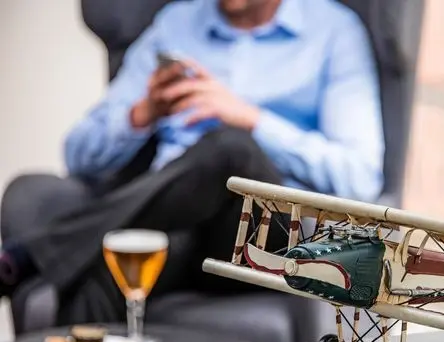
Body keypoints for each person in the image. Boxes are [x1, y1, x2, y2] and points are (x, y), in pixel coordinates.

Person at [0, 0, 384, 324]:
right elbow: (78, 155)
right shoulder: (177, 25)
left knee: (231, 148)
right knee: (105, 269)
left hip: (266, 235)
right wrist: (142, 114)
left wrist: (252, 120)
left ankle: (32, 255)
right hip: (174, 221)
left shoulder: (333, 31)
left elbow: (360, 176)